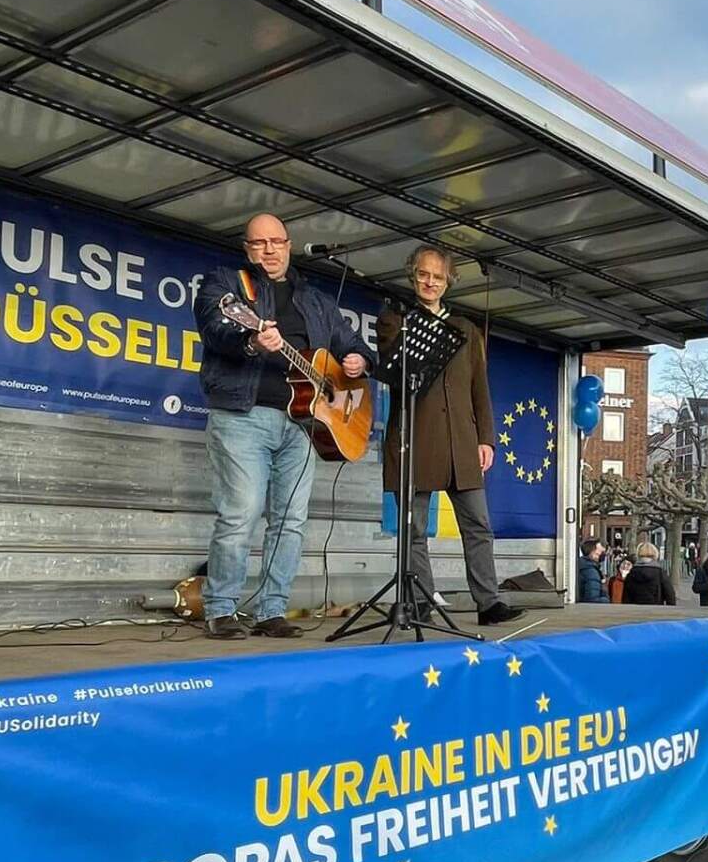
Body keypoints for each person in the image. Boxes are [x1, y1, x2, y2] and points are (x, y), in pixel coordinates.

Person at [193, 213, 372, 640]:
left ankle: (272, 611)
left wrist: (358, 360)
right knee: (241, 513)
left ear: (290, 245)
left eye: (276, 242)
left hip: (303, 424)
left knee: (290, 519)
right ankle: (221, 610)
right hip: (243, 414)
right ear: (247, 249)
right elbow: (214, 327)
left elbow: (354, 344)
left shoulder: (316, 301)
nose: (269, 250)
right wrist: (251, 339)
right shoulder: (228, 284)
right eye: (259, 243)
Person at [380, 245, 523, 628]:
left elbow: (480, 388)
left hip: (462, 442)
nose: (430, 282)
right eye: (423, 275)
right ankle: (420, 601)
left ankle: (488, 603)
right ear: (413, 277)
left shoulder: (468, 329)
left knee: (478, 524)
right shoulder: (396, 321)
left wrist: (486, 439)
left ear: (448, 282)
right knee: (413, 530)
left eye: (437, 277)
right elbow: (396, 372)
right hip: (414, 438)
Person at [621, 541, 676, 605]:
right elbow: (670, 595)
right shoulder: (660, 573)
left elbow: (626, 597)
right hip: (656, 610)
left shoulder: (631, 573)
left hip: (636, 611)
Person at [576, 539, 608, 603]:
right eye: (598, 549)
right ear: (592, 552)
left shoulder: (582, 565)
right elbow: (593, 599)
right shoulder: (590, 571)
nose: (602, 551)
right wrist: (606, 600)